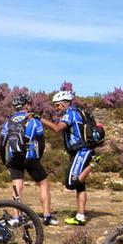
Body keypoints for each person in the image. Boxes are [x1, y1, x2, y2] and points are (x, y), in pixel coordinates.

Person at [0, 94, 57, 226]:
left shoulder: (8, 122)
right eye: (29, 104)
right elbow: (41, 142)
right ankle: (47, 216)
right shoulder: (34, 120)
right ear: (26, 105)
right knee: (43, 184)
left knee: (17, 186)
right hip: (30, 156)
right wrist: (38, 158)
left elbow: (1, 145)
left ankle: (16, 217)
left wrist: (5, 162)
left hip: (13, 157)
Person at [40, 90, 92, 226]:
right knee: (80, 186)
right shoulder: (76, 112)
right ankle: (80, 216)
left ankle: (93, 164)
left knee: (71, 183)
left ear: (64, 104)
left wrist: (40, 119)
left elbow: (57, 128)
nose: (56, 108)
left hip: (81, 151)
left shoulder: (70, 113)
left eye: (57, 105)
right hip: (79, 151)